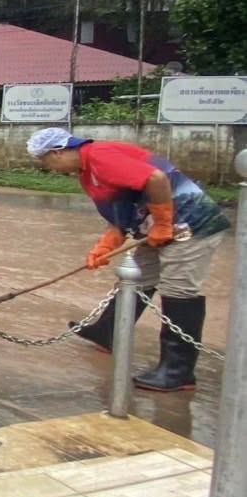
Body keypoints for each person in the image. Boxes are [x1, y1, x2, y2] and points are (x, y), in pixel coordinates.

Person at [27, 127, 231, 392]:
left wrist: (163, 223)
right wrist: (105, 246)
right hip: (153, 227)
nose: (48, 168)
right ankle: (108, 333)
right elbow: (121, 214)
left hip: (189, 223)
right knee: (137, 279)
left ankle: (178, 372)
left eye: (45, 161)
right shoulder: (88, 174)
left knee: (179, 288)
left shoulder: (100, 156)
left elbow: (156, 178)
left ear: (58, 152)